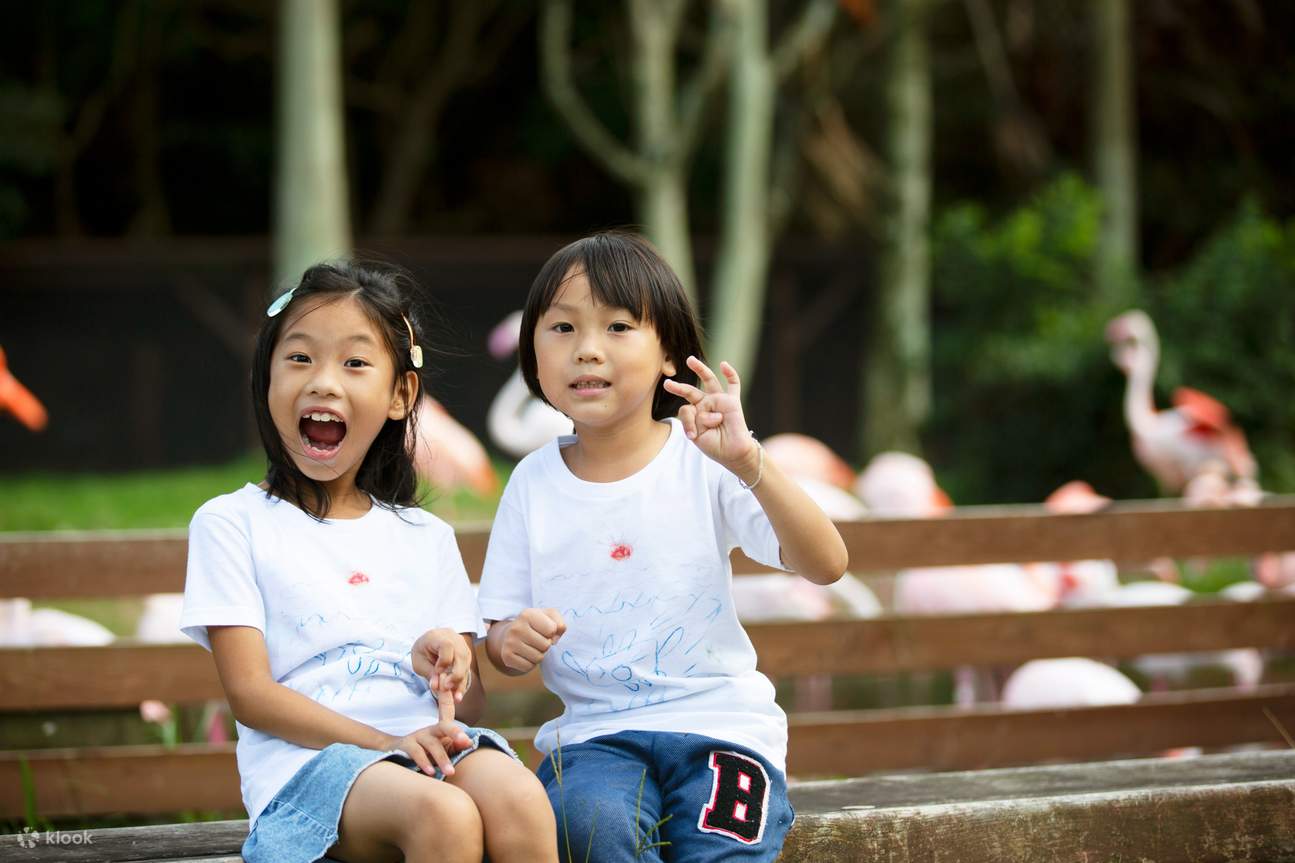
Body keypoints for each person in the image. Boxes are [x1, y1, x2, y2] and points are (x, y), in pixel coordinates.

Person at [477, 232, 849, 862]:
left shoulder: (706, 462)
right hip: (595, 742)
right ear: (531, 354)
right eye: (562, 329)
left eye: (618, 327)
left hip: (724, 730)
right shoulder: (532, 483)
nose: (587, 350)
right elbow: (499, 639)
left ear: (669, 354)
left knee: (722, 848)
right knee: (586, 828)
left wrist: (751, 462)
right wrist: (510, 641)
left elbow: (827, 563)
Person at [180, 262, 558, 863]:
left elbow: (472, 703)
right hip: (308, 769)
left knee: (522, 799)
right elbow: (251, 696)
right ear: (267, 380)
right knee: (445, 815)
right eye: (299, 359)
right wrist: (387, 743)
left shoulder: (425, 536)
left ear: (400, 395)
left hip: (426, 747)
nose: (323, 383)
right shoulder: (233, 524)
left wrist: (451, 666)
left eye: (355, 363)